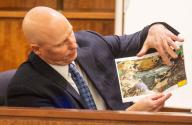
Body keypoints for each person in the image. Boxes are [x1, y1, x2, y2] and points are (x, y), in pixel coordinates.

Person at [6, 6, 183, 111]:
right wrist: (129, 116)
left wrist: (155, 29)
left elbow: (137, 40)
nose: (73, 45)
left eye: (70, 33)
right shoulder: (25, 88)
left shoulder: (88, 42)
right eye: (61, 43)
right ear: (38, 50)